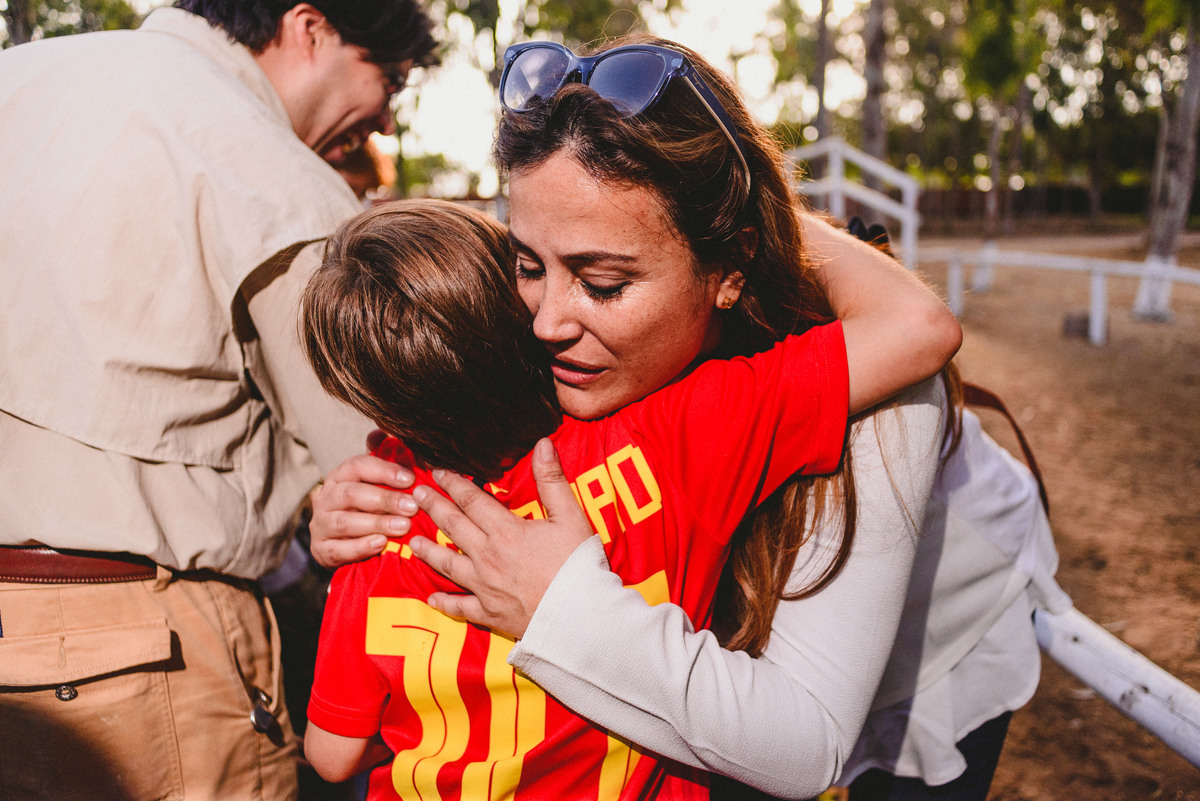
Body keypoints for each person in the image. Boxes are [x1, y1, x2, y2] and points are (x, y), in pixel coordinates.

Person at [308, 35, 1067, 801]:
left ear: (728, 268)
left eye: (604, 281)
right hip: (697, 673)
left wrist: (563, 604)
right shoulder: (562, 339)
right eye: (529, 263)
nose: (545, 322)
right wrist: (366, 503)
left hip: (918, 655)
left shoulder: (880, 394)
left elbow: (806, 742)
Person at [0, 2, 437, 799]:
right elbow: (385, 457)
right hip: (148, 660)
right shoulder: (266, 167)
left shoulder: (19, 81)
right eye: (391, 79)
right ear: (311, 28)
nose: (382, 120)